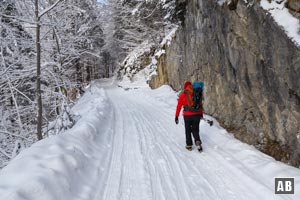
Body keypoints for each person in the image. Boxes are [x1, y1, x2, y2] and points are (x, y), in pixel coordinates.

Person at [175, 81, 204, 151]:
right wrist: (201, 114)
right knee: (195, 129)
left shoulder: (183, 94)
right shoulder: (195, 93)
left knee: (187, 129)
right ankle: (198, 142)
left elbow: (179, 106)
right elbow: (200, 104)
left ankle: (189, 145)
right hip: (197, 114)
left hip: (187, 115)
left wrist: (176, 116)